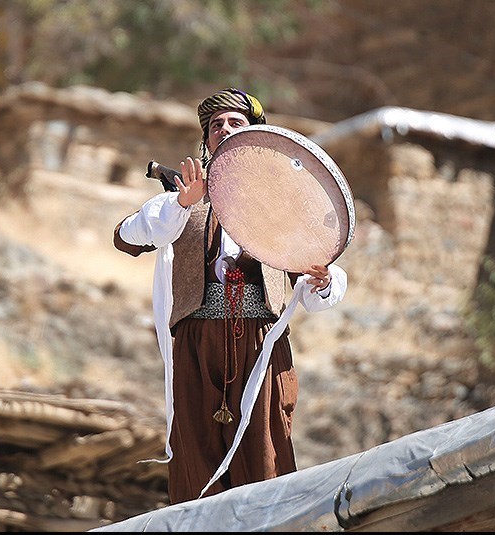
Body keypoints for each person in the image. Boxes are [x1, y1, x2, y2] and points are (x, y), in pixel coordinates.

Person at [113, 87, 348, 504]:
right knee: (196, 459)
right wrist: (180, 205)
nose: (224, 130)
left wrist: (324, 279)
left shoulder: (283, 208)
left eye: (235, 123)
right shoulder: (180, 200)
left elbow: (312, 291)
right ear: (205, 140)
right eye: (215, 125)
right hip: (197, 345)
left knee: (265, 456)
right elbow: (125, 237)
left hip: (261, 344)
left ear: (255, 136)